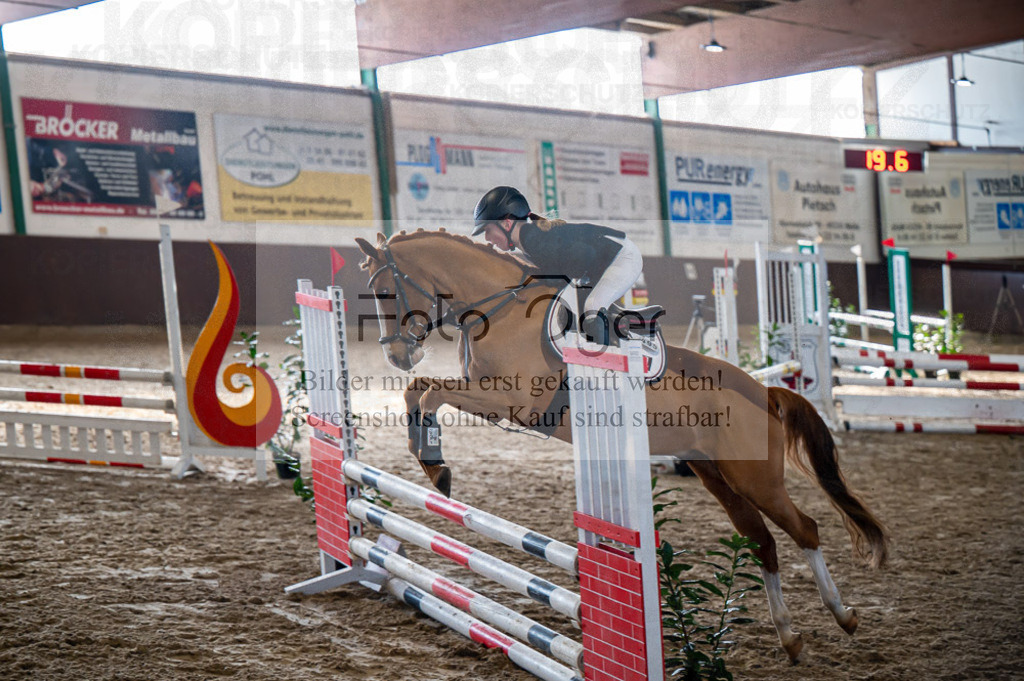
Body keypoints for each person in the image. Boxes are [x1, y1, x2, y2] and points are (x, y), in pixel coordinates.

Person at [471, 186, 643, 343]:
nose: (487, 238)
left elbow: (585, 257)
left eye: (487, 230)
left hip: (622, 256)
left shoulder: (535, 241)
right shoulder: (528, 241)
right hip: (602, 262)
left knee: (592, 307)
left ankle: (605, 362)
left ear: (507, 223)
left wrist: (550, 279)